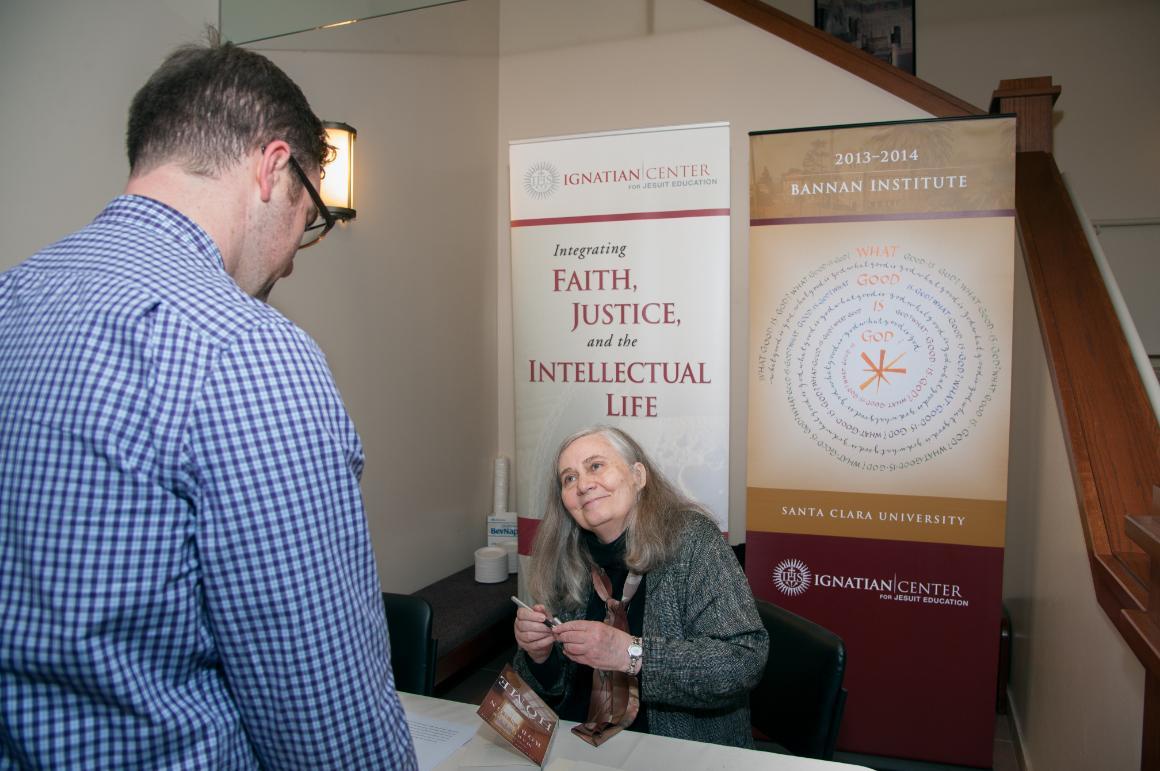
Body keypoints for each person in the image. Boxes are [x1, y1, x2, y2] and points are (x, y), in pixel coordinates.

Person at [0, 39, 416, 769]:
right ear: (272, 168)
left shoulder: (12, 301)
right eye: (309, 214)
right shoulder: (247, 353)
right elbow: (326, 722)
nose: (292, 256)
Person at [513, 426, 768, 748]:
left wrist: (631, 654)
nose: (583, 485)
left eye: (595, 466)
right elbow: (550, 690)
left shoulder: (692, 541)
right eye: (569, 478)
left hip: (677, 749)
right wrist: (540, 655)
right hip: (576, 744)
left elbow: (743, 661)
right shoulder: (566, 558)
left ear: (638, 476)